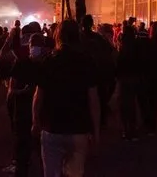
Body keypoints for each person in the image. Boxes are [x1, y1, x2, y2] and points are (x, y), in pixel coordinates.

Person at [33, 20, 99, 177]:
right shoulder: (87, 62)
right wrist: (95, 131)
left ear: (58, 36)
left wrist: (35, 121)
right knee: (75, 173)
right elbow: (93, 100)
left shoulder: (49, 61)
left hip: (52, 127)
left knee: (51, 172)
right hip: (78, 129)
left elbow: (39, 96)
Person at [7, 32, 47, 177]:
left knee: (41, 152)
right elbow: (11, 91)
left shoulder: (46, 66)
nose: (34, 47)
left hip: (39, 116)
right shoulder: (21, 64)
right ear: (29, 45)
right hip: (23, 114)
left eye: (38, 45)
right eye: (33, 44)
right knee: (23, 152)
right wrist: (24, 91)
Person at [80, 15, 116, 129]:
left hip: (83, 73)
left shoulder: (79, 38)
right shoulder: (98, 38)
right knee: (100, 97)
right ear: (91, 24)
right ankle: (101, 121)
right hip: (98, 72)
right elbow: (110, 50)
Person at [116, 25, 141, 141]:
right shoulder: (136, 46)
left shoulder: (122, 48)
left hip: (123, 79)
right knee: (131, 104)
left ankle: (125, 129)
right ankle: (133, 128)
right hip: (134, 78)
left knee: (123, 104)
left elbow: (118, 64)